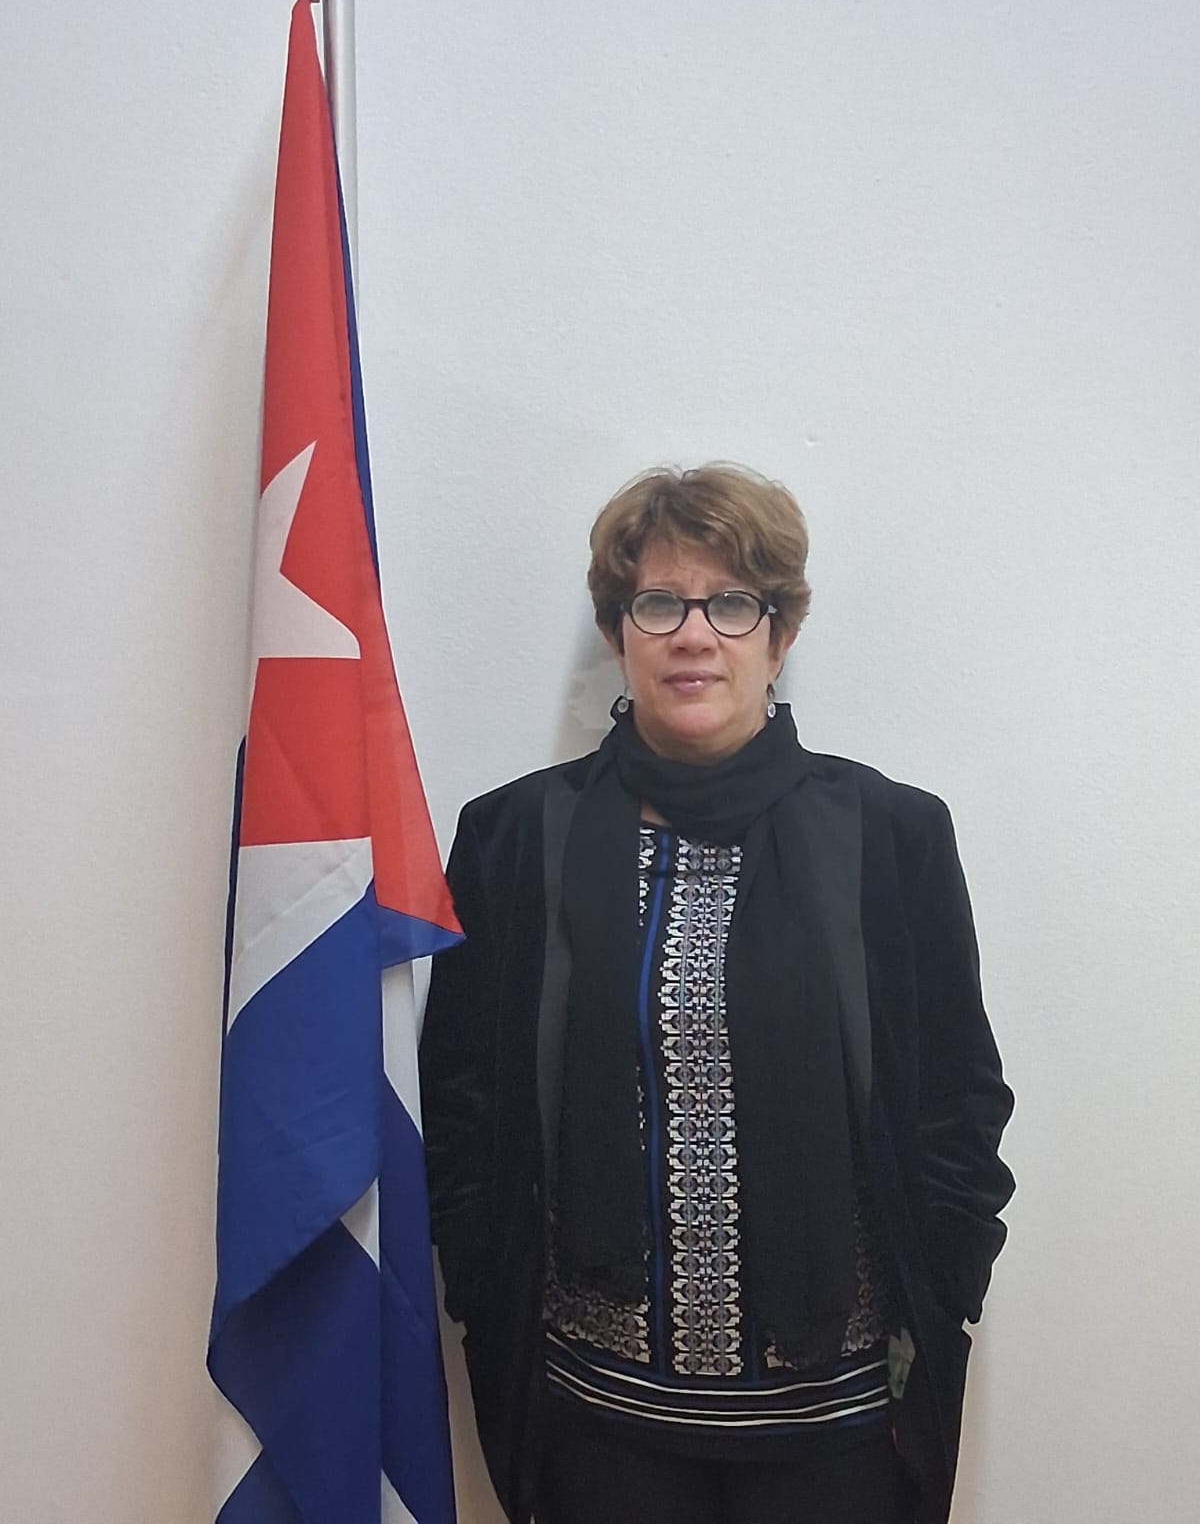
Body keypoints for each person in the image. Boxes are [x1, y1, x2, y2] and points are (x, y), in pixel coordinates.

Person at [419, 463, 1014, 1524]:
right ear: (619, 631)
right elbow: (463, 1102)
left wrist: (945, 1301)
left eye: (732, 604)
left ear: (778, 637)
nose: (694, 635)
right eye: (659, 603)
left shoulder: (890, 836)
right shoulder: (514, 838)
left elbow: (957, 1103)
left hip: (839, 1429)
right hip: (595, 1421)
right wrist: (479, 1291)